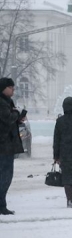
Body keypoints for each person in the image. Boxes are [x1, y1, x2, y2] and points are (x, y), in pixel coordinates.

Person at [0, 77, 25, 214]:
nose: (13, 89)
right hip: (4, 145)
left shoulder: (7, 102)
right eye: (11, 87)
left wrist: (17, 119)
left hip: (6, 145)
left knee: (5, 176)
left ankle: (2, 204)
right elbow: (7, 118)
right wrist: (16, 113)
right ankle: (1, 206)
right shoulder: (2, 103)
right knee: (5, 176)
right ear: (3, 88)